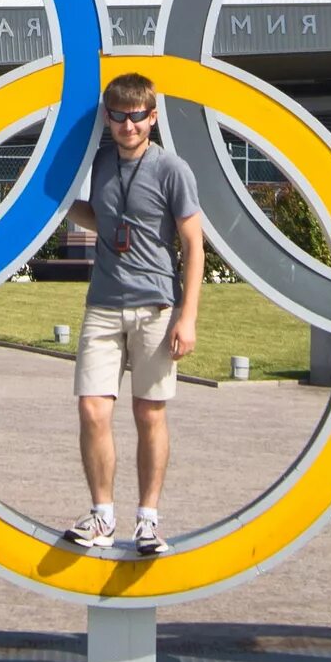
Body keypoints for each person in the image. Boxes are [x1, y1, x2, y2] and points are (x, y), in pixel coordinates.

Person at [64, 69, 204, 556]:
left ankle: (148, 520)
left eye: (138, 116)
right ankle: (102, 516)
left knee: (149, 413)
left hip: (156, 307)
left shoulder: (171, 169)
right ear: (108, 117)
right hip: (103, 304)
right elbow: (101, 216)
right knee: (92, 408)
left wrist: (187, 317)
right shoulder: (100, 162)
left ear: (153, 116)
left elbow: (193, 242)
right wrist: (62, 206)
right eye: (120, 117)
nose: (129, 125)